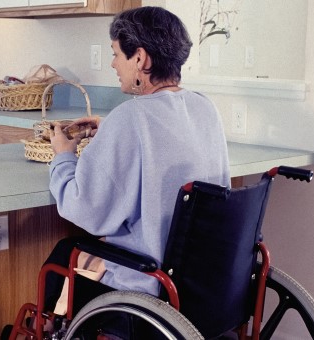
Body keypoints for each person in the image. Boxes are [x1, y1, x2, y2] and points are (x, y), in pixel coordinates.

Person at [46, 5, 230, 313]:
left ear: (140, 58)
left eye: (117, 54)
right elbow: (166, 144)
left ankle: (49, 327)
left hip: (150, 286)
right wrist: (112, 133)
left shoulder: (130, 117)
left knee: (65, 251)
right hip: (203, 282)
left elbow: (86, 210)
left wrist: (64, 157)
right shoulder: (204, 107)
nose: (113, 64)